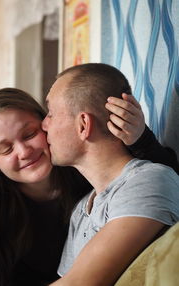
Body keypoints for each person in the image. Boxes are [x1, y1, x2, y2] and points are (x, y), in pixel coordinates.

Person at [0, 87, 178, 286]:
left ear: (48, 125)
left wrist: (142, 139)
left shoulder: (91, 175)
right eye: (6, 149)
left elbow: (163, 185)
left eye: (30, 134)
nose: (24, 152)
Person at [41, 63, 179, 286]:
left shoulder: (149, 180)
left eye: (51, 114)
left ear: (83, 125)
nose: (44, 125)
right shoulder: (82, 210)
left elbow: (78, 283)